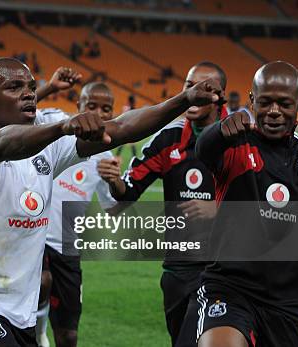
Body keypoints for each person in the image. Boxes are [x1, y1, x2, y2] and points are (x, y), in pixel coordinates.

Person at [0, 57, 223, 347]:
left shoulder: (48, 150)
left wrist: (183, 99)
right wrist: (62, 127)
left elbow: (119, 128)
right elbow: (3, 144)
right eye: (14, 87)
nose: (29, 93)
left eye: (30, 86)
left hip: (19, 315)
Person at [98, 61, 227, 347]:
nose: (194, 93)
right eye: (189, 85)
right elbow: (128, 191)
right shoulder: (168, 139)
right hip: (178, 269)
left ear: (219, 96)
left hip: (224, 268)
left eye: (204, 88)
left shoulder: (240, 138)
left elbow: (271, 203)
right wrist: (115, 181)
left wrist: (220, 209)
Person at [194, 61, 298, 347]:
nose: (273, 112)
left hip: (287, 302)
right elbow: (204, 150)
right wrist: (220, 130)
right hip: (230, 289)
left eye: (284, 103)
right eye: (265, 102)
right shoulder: (235, 144)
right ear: (251, 100)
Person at [35, 81, 119, 347]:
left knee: (69, 335)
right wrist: (49, 86)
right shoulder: (57, 123)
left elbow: (113, 208)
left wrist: (116, 182)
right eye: (90, 105)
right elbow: (19, 112)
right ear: (79, 106)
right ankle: (37, 332)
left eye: (105, 109)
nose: (97, 113)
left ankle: (42, 332)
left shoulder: (105, 156)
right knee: (41, 281)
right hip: (36, 237)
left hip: (68, 248)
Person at [115, 94, 138, 159]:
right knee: (132, 144)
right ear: (133, 101)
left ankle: (117, 156)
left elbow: (121, 118)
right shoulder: (133, 109)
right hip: (130, 129)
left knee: (123, 143)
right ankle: (134, 157)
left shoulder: (125, 108)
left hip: (124, 128)